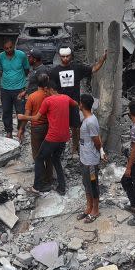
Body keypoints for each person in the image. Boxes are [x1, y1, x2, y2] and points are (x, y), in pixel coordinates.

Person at [17, 83, 78, 195]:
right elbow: (76, 104)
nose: (46, 92)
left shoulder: (48, 101)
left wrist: (23, 117)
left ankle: (37, 187)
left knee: (39, 158)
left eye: (47, 90)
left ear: (50, 89)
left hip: (53, 136)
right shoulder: (66, 98)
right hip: (64, 137)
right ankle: (62, 187)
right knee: (56, 159)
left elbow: (36, 118)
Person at [50, 47, 108, 156]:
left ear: (71, 56)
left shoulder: (77, 68)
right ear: (60, 57)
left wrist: (103, 59)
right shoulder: (54, 72)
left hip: (74, 104)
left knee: (75, 127)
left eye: (67, 56)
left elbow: (93, 69)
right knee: (59, 127)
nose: (65, 58)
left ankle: (74, 148)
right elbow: (51, 90)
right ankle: (59, 148)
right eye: (63, 56)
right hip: (60, 105)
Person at [18, 73, 53, 188]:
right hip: (49, 127)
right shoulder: (50, 95)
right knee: (48, 153)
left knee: (37, 155)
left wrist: (21, 129)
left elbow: (27, 115)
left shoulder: (32, 97)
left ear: (37, 83)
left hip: (37, 128)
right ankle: (49, 178)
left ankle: (41, 181)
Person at [78, 94, 104, 223]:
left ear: (82, 104)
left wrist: (101, 152)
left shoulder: (91, 121)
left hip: (91, 160)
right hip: (84, 158)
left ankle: (96, 210)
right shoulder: (86, 119)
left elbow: (97, 140)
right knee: (86, 183)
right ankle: (89, 207)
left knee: (93, 184)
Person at [0, 39, 30, 138]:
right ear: (4, 49)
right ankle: (9, 131)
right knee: (6, 110)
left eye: (10, 47)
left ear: (14, 46)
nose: (9, 50)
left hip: (19, 88)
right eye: (6, 48)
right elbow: (1, 70)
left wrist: (20, 81)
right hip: (5, 88)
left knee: (20, 111)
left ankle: (21, 131)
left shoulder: (21, 55)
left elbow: (26, 69)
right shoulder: (1, 56)